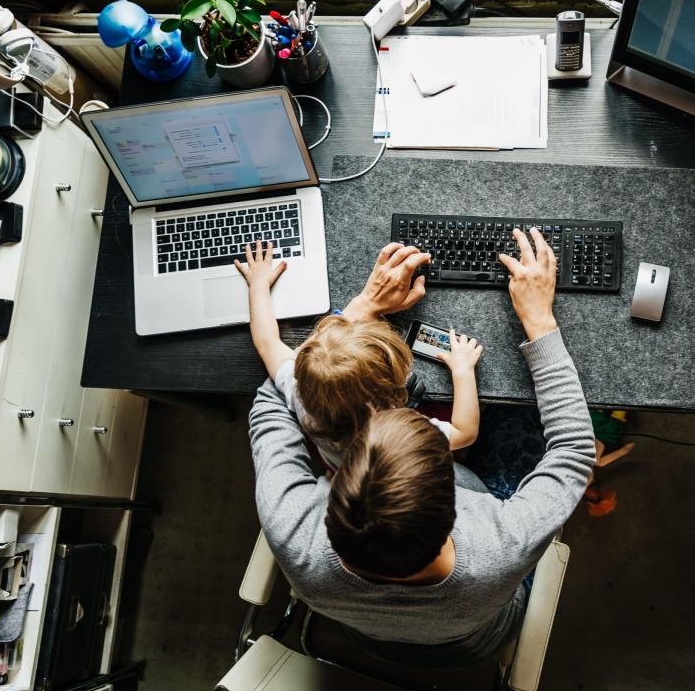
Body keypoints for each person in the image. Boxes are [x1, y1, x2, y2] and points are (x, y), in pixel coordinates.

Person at [248, 228, 596, 663]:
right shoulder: (501, 545)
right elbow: (575, 452)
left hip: (364, 635)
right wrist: (539, 321)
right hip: (476, 641)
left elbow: (272, 401)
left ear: (331, 497)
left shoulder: (291, 532)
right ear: (455, 503)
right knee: (519, 423)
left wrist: (358, 314)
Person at [235, 240, 483, 470]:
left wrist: (257, 286)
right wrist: (463, 371)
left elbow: (267, 342)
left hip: (340, 464)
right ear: (395, 395)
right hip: (391, 465)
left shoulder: (300, 391)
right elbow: (464, 432)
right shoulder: (400, 433)